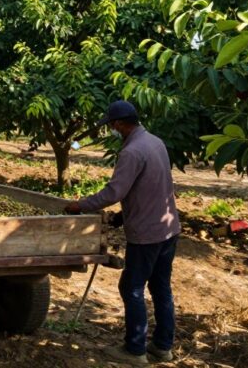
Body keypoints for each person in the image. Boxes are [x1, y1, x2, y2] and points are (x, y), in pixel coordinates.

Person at [64, 100, 181, 365]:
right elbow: (151, 186)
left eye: (113, 126)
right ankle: (163, 347)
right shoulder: (156, 142)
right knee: (161, 287)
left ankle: (135, 350)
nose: (112, 131)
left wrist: (80, 205)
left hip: (147, 234)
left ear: (118, 124)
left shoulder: (131, 152)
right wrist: (121, 217)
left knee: (132, 288)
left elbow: (114, 192)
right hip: (169, 227)